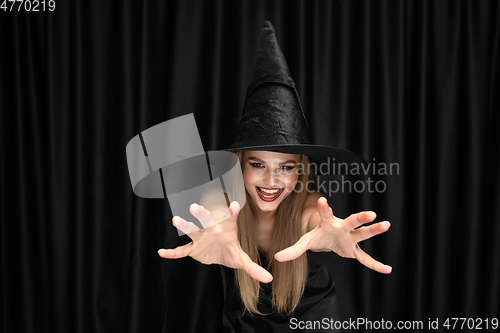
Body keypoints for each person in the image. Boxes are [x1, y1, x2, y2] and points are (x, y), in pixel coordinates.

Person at [158, 21, 391, 332]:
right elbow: (215, 206)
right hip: (241, 315)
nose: (271, 180)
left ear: (300, 171)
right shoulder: (225, 197)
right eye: (257, 164)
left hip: (311, 310)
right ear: (238, 166)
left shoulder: (307, 199)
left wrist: (326, 228)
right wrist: (212, 225)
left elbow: (314, 216)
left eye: (286, 167)